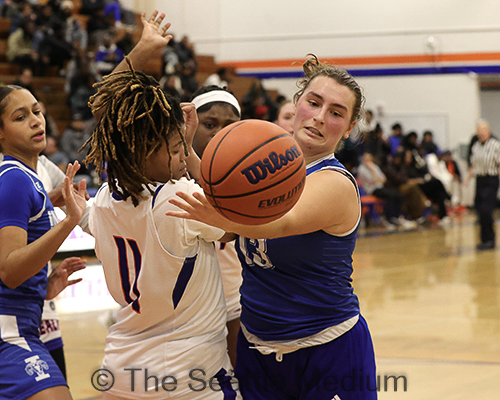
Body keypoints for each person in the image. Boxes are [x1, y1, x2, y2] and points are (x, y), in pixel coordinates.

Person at [168, 54, 377, 399]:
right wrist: (189, 146)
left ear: (350, 128)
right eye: (314, 102)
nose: (321, 117)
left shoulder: (336, 183)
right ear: (297, 104)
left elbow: (277, 222)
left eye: (336, 113)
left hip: (327, 347)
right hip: (257, 349)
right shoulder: (269, 171)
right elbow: (232, 214)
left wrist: (217, 212)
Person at [82, 11, 240, 399]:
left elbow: (109, 114)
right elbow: (235, 222)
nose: (179, 159)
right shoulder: (178, 197)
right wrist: (188, 146)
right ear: (141, 152)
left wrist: (144, 49)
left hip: (121, 365)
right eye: (172, 150)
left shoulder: (103, 201)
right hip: (186, 375)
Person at [0, 84, 88, 399]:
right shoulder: (14, 179)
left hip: (21, 323)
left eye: (37, 111)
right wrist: (69, 221)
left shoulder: (26, 177)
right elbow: (9, 271)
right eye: (21, 117)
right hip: (8, 332)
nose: (37, 121)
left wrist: (43, 287)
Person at [191, 85, 242, 367]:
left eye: (228, 126)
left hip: (234, 303)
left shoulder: (251, 178)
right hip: (184, 309)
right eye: (209, 124)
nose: (218, 132)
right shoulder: (170, 175)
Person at [465, 119, 500, 250]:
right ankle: (484, 239)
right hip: (480, 180)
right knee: (479, 210)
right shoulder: (476, 146)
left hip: (491, 179)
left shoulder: (496, 145)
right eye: (479, 130)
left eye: (484, 130)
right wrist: (467, 179)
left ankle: (490, 239)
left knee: (486, 210)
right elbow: (474, 165)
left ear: (489, 131)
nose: (482, 133)